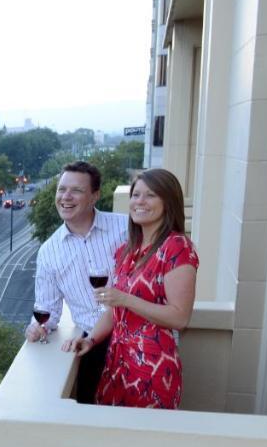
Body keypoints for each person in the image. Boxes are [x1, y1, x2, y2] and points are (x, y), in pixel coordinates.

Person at [73, 168, 198, 409]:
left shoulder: (177, 247)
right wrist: (91, 339)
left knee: (143, 444)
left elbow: (180, 317)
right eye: (135, 195)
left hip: (152, 368)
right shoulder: (127, 250)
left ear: (168, 201)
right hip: (116, 364)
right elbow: (114, 309)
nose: (139, 202)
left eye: (150, 195)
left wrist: (126, 299)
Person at [27, 161, 129, 403]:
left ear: (95, 195)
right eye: (61, 190)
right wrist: (35, 326)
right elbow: (47, 310)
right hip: (91, 347)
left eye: (77, 190)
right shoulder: (49, 251)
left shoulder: (126, 228)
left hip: (136, 338)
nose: (66, 197)